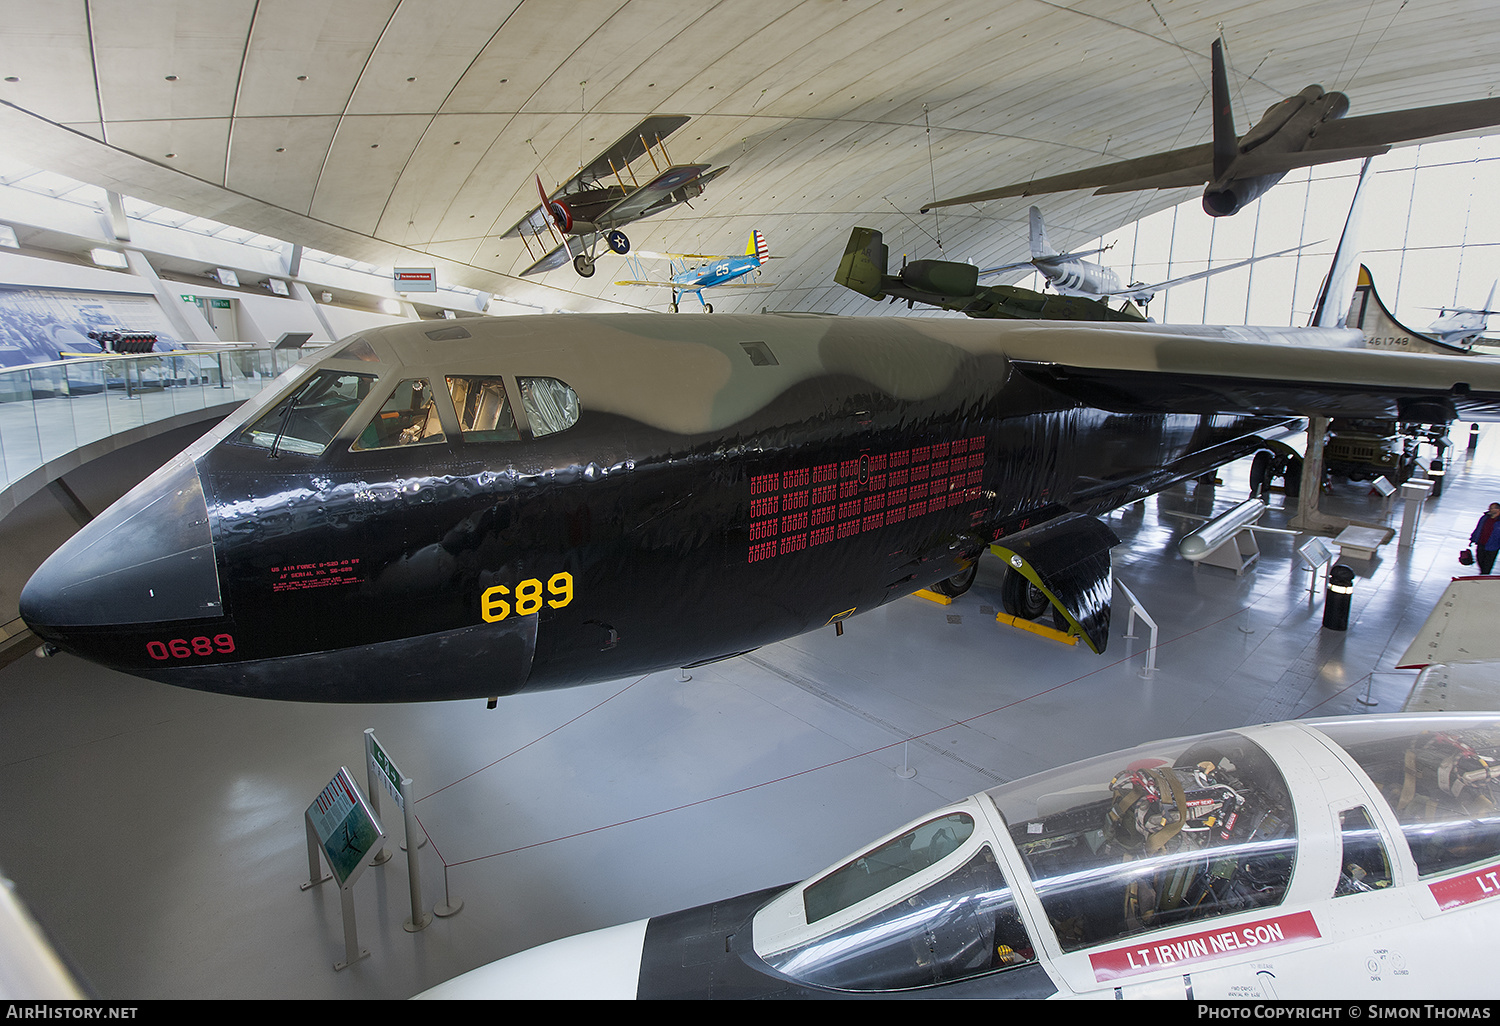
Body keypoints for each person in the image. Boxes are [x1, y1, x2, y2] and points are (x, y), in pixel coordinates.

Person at [1470, 503, 1500, 573]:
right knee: (1480, 560)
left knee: (1487, 565)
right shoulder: (1484, 518)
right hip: (1481, 543)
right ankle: (1483, 574)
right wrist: (1473, 538)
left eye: (1492, 508)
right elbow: (1478, 528)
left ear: (1498, 509)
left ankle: (1484, 576)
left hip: (1493, 546)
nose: (1489, 509)